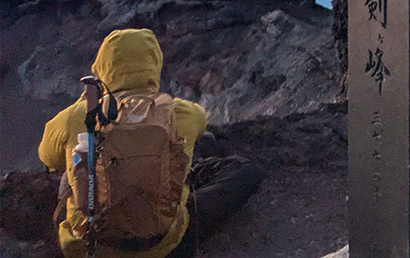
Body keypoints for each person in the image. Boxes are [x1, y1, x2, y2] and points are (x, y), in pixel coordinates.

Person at [38, 28, 262, 258]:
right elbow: (202, 121)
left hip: (88, 251)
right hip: (167, 249)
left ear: (102, 67)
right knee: (243, 171)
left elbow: (48, 158)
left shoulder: (74, 117)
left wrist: (85, 104)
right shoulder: (181, 112)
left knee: (74, 163)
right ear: (154, 65)